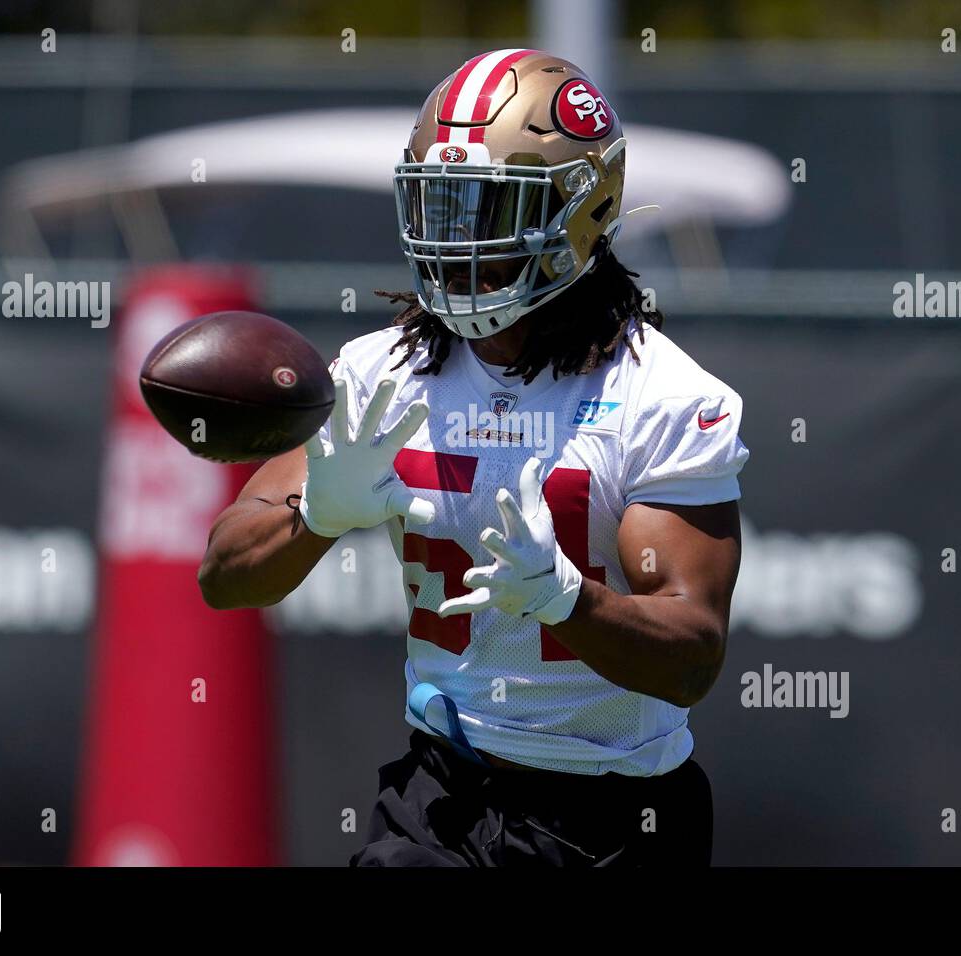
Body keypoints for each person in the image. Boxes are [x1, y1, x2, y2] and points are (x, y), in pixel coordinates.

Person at [198, 49, 749, 867]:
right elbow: (223, 576)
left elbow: (692, 657)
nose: (456, 236)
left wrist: (568, 601)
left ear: (581, 211)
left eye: (490, 207)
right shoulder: (383, 374)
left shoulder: (660, 396)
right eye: (442, 202)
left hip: (614, 821)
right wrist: (314, 516)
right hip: (439, 800)